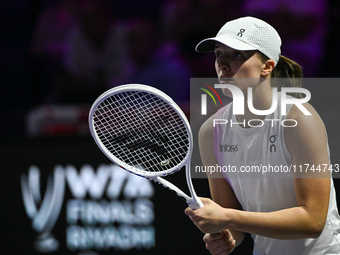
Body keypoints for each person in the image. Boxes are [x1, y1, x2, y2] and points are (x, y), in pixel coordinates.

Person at [184, 16, 340, 255]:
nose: (222, 64)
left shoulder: (297, 118)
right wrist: (226, 236)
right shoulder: (211, 132)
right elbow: (234, 222)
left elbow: (313, 220)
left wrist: (227, 217)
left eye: (236, 55)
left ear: (267, 66)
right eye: (218, 54)